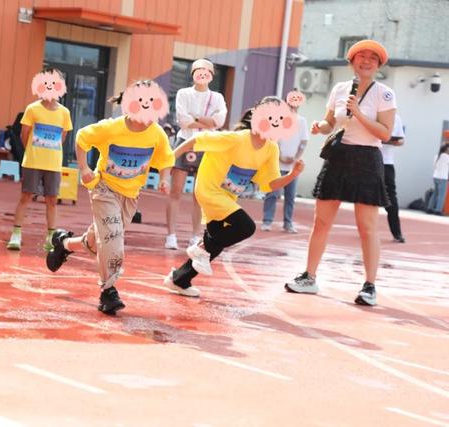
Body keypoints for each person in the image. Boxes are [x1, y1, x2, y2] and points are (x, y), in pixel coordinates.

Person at [45, 80, 174, 315]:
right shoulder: (111, 127)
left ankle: (63, 244)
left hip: (130, 195)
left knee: (100, 239)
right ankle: (108, 291)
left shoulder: (157, 133)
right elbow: (82, 138)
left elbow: (165, 159)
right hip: (104, 188)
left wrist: (165, 179)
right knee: (113, 238)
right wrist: (84, 168)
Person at [285, 39, 397, 307]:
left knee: (366, 227)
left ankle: (369, 285)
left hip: (367, 158)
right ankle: (309, 277)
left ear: (379, 65)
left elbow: (385, 134)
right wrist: (320, 127)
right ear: (352, 61)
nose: (366, 61)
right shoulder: (339, 88)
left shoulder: (385, 94)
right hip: (338, 156)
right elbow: (330, 122)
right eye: (361, 56)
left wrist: (358, 113)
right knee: (321, 222)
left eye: (372, 58)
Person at [164, 98, 304, 296]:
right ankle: (201, 247)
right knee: (245, 227)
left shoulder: (271, 149)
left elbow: (271, 184)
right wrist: (170, 157)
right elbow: (198, 140)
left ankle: (179, 279)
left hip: (228, 199)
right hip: (209, 190)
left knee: (217, 241)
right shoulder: (236, 139)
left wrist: (292, 174)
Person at [6, 68, 73, 251]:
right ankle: (16, 234)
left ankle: (51, 237)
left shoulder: (64, 112)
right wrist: (34, 150)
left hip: (53, 164)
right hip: (33, 162)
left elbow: (63, 136)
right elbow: (24, 135)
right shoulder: (32, 109)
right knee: (26, 196)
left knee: (51, 200)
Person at [165, 58, 227, 250]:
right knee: (176, 191)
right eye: (198, 69)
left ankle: (195, 236)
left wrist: (196, 117)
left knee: (199, 195)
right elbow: (183, 121)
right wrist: (207, 122)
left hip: (207, 145)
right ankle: (171, 236)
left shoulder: (217, 97)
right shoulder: (183, 93)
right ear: (192, 73)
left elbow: (219, 122)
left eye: (206, 70)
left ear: (212, 75)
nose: (202, 73)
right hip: (185, 141)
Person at [261, 90, 309, 233]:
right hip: (276, 164)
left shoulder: (301, 121)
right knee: (272, 193)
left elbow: (304, 142)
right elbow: (273, 139)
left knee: (290, 196)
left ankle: (288, 223)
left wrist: (296, 158)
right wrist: (280, 156)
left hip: (292, 166)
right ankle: (267, 221)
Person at [380, 113, 406, 241]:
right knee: (364, 197)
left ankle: (397, 233)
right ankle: (366, 230)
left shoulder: (395, 117)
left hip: (387, 163)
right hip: (367, 160)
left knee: (391, 200)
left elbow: (401, 141)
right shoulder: (370, 112)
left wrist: (386, 139)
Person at [427, 143, 449, 215]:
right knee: (441, 195)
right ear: (447, 149)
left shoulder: (436, 156)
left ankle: (429, 208)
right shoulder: (447, 157)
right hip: (443, 178)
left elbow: (435, 166)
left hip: (435, 176)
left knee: (435, 193)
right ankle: (438, 210)